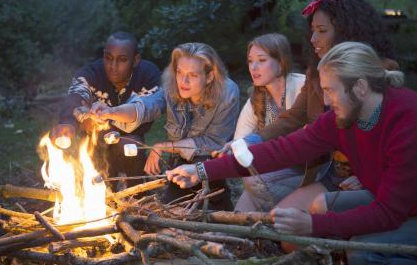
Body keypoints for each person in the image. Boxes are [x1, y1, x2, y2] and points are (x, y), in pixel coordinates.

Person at [166, 42, 417, 264]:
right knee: (319, 210)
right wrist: (201, 170)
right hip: (391, 202)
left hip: (403, 210)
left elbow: (389, 212)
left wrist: (313, 225)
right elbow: (282, 151)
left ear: (360, 88)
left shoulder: (406, 122)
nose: (326, 102)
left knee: (363, 252)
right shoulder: (341, 118)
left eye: (330, 91)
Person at [219, 0, 398, 212]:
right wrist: (249, 142)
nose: (313, 38)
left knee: (281, 207)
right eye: (312, 30)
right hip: (329, 172)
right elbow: (294, 118)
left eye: (322, 30)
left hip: (368, 177)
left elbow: (390, 140)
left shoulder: (377, 75)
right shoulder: (315, 74)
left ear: (346, 30)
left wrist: (368, 175)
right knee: (271, 211)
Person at [93, 42, 239, 210]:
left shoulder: (227, 93)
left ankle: (218, 204)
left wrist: (164, 146)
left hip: (212, 164)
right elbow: (146, 106)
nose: (183, 81)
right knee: (170, 210)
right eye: (179, 72)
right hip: (181, 162)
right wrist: (111, 111)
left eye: (192, 75)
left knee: (213, 212)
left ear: (210, 76)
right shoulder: (172, 88)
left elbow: (213, 143)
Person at [52, 31, 161, 187]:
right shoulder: (91, 74)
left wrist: (107, 117)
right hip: (95, 140)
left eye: (122, 60)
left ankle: (136, 194)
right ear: (103, 56)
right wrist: (68, 122)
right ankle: (101, 196)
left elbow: (148, 109)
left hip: (130, 138)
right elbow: (76, 95)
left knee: (132, 147)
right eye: (108, 58)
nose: (113, 66)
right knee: (97, 178)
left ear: (135, 60)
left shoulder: (148, 75)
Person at [229, 33, 305, 211]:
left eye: (261, 60)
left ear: (281, 62)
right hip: (279, 169)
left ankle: (280, 221)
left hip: (312, 169)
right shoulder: (257, 99)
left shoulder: (303, 86)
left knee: (255, 182)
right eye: (250, 61)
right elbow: (241, 139)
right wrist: (230, 148)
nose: (253, 67)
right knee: (251, 185)